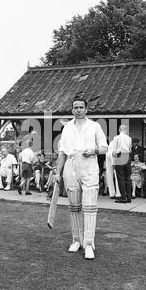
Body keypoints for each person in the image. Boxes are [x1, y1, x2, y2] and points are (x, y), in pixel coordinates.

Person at [54, 96, 108, 260]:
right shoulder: (67, 127)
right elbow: (62, 152)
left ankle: (89, 244)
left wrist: (93, 151)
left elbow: (105, 147)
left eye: (81, 107)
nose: (78, 110)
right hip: (71, 165)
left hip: (89, 165)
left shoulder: (95, 126)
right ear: (72, 110)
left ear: (86, 109)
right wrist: (58, 172)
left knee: (90, 206)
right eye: (75, 107)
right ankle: (76, 240)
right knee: (74, 206)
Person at [111, 125, 132, 203]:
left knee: (120, 178)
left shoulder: (116, 138)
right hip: (127, 156)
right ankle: (129, 197)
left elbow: (114, 151)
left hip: (120, 156)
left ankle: (123, 197)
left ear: (119, 130)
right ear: (125, 130)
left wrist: (114, 157)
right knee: (127, 178)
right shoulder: (129, 138)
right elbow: (130, 150)